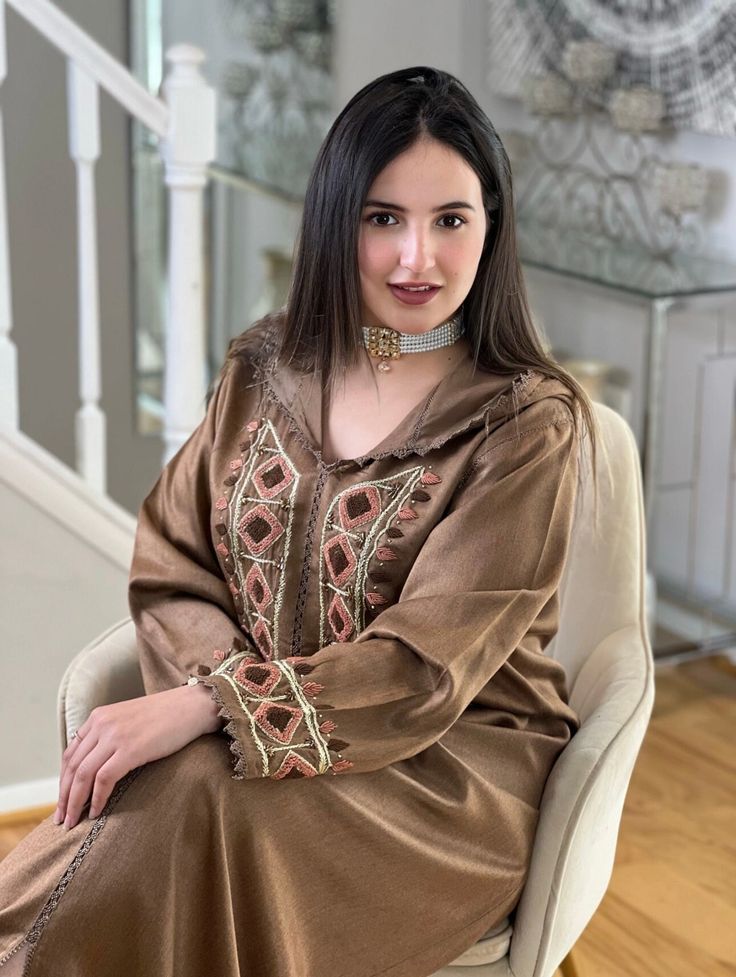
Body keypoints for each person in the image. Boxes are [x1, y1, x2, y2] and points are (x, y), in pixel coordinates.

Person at [0, 65, 598, 977]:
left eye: (451, 220)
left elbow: (426, 665)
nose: (417, 260)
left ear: (492, 228)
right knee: (191, 794)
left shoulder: (523, 424)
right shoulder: (263, 370)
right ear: (336, 220)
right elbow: (175, 562)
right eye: (383, 218)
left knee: (197, 793)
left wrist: (210, 707)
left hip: (445, 778)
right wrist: (223, 704)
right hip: (259, 751)